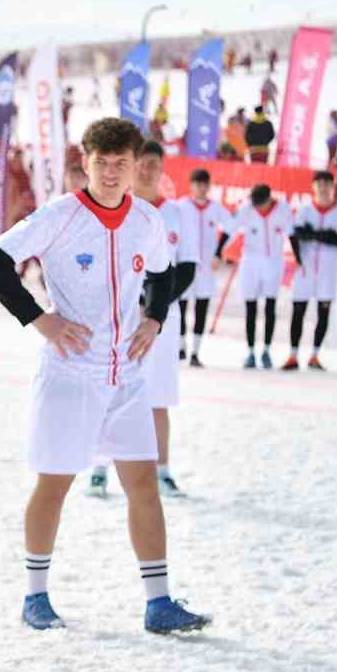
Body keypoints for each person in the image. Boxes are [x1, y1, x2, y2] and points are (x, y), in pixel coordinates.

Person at [0, 118, 208, 635]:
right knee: (55, 485)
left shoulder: (146, 219)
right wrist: (40, 319)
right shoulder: (60, 216)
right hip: (70, 375)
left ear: (134, 166)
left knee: (143, 482)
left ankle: (159, 602)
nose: (109, 173)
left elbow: (165, 274)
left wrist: (154, 317)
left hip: (125, 376)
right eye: (100, 163)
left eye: (120, 164)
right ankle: (35, 596)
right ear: (85, 161)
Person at [85, 141, 197, 500]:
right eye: (143, 164)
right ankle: (99, 469)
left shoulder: (179, 214)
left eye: (155, 165)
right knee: (111, 389)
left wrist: (155, 308)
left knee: (157, 396)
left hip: (162, 318)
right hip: (120, 316)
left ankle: (162, 471)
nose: (149, 171)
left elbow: (187, 269)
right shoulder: (119, 208)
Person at [285, 171, 337, 371]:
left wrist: (312, 234)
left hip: (328, 270)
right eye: (319, 184)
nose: (323, 187)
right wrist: (322, 235)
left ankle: (315, 355)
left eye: (327, 184)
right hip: (306, 268)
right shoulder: (305, 210)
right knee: (298, 311)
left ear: (332, 187)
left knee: (323, 312)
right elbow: (297, 234)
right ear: (313, 186)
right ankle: (293, 355)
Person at [227, 184, 293, 368]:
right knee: (251, 307)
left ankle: (266, 350)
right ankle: (250, 352)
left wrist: (300, 260)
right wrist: (218, 252)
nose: (258, 208)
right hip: (251, 262)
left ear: (269, 199)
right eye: (255, 204)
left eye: (261, 204)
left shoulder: (283, 209)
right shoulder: (247, 210)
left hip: (273, 261)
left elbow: (292, 234)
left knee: (270, 307)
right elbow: (230, 230)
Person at [178, 168, 231, 368]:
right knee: (181, 307)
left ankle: (196, 352)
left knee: (201, 307)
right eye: (197, 183)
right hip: (185, 264)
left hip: (207, 267)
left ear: (209, 186)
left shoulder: (215, 208)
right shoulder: (181, 206)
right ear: (191, 185)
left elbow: (231, 226)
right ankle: (181, 345)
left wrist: (219, 252)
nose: (201, 187)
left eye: (204, 184)